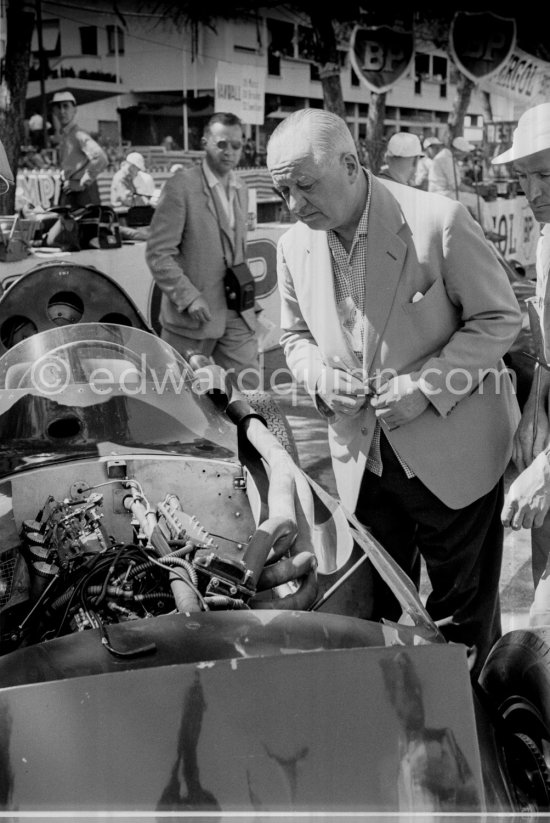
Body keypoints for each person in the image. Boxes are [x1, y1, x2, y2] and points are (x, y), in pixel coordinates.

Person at [266, 108, 521, 678]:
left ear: (352, 165)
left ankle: (479, 737)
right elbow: (294, 336)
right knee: (378, 613)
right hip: (365, 463)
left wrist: (427, 388)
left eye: (304, 186)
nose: (293, 205)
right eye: (282, 190)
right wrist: (317, 376)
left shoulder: (438, 220)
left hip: (453, 457)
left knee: (463, 622)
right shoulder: (292, 247)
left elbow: (499, 320)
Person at [146, 112, 260, 388]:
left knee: (250, 395)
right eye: (222, 144)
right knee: (179, 401)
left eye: (236, 145)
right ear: (205, 142)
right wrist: (189, 297)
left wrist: (249, 302)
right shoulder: (180, 187)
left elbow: (236, 254)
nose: (230, 152)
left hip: (236, 315)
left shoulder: (242, 188)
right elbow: (158, 253)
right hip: (192, 318)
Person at [497, 103, 550, 599]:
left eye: (547, 175)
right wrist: (533, 415)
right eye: (524, 177)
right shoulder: (548, 238)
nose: (533, 194)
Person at [51, 91, 108, 209]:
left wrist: (83, 182)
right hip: (71, 191)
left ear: (74, 109)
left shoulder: (78, 134)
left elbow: (101, 158)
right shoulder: (65, 136)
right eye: (58, 107)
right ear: (54, 111)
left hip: (83, 194)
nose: (62, 111)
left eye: (66, 106)